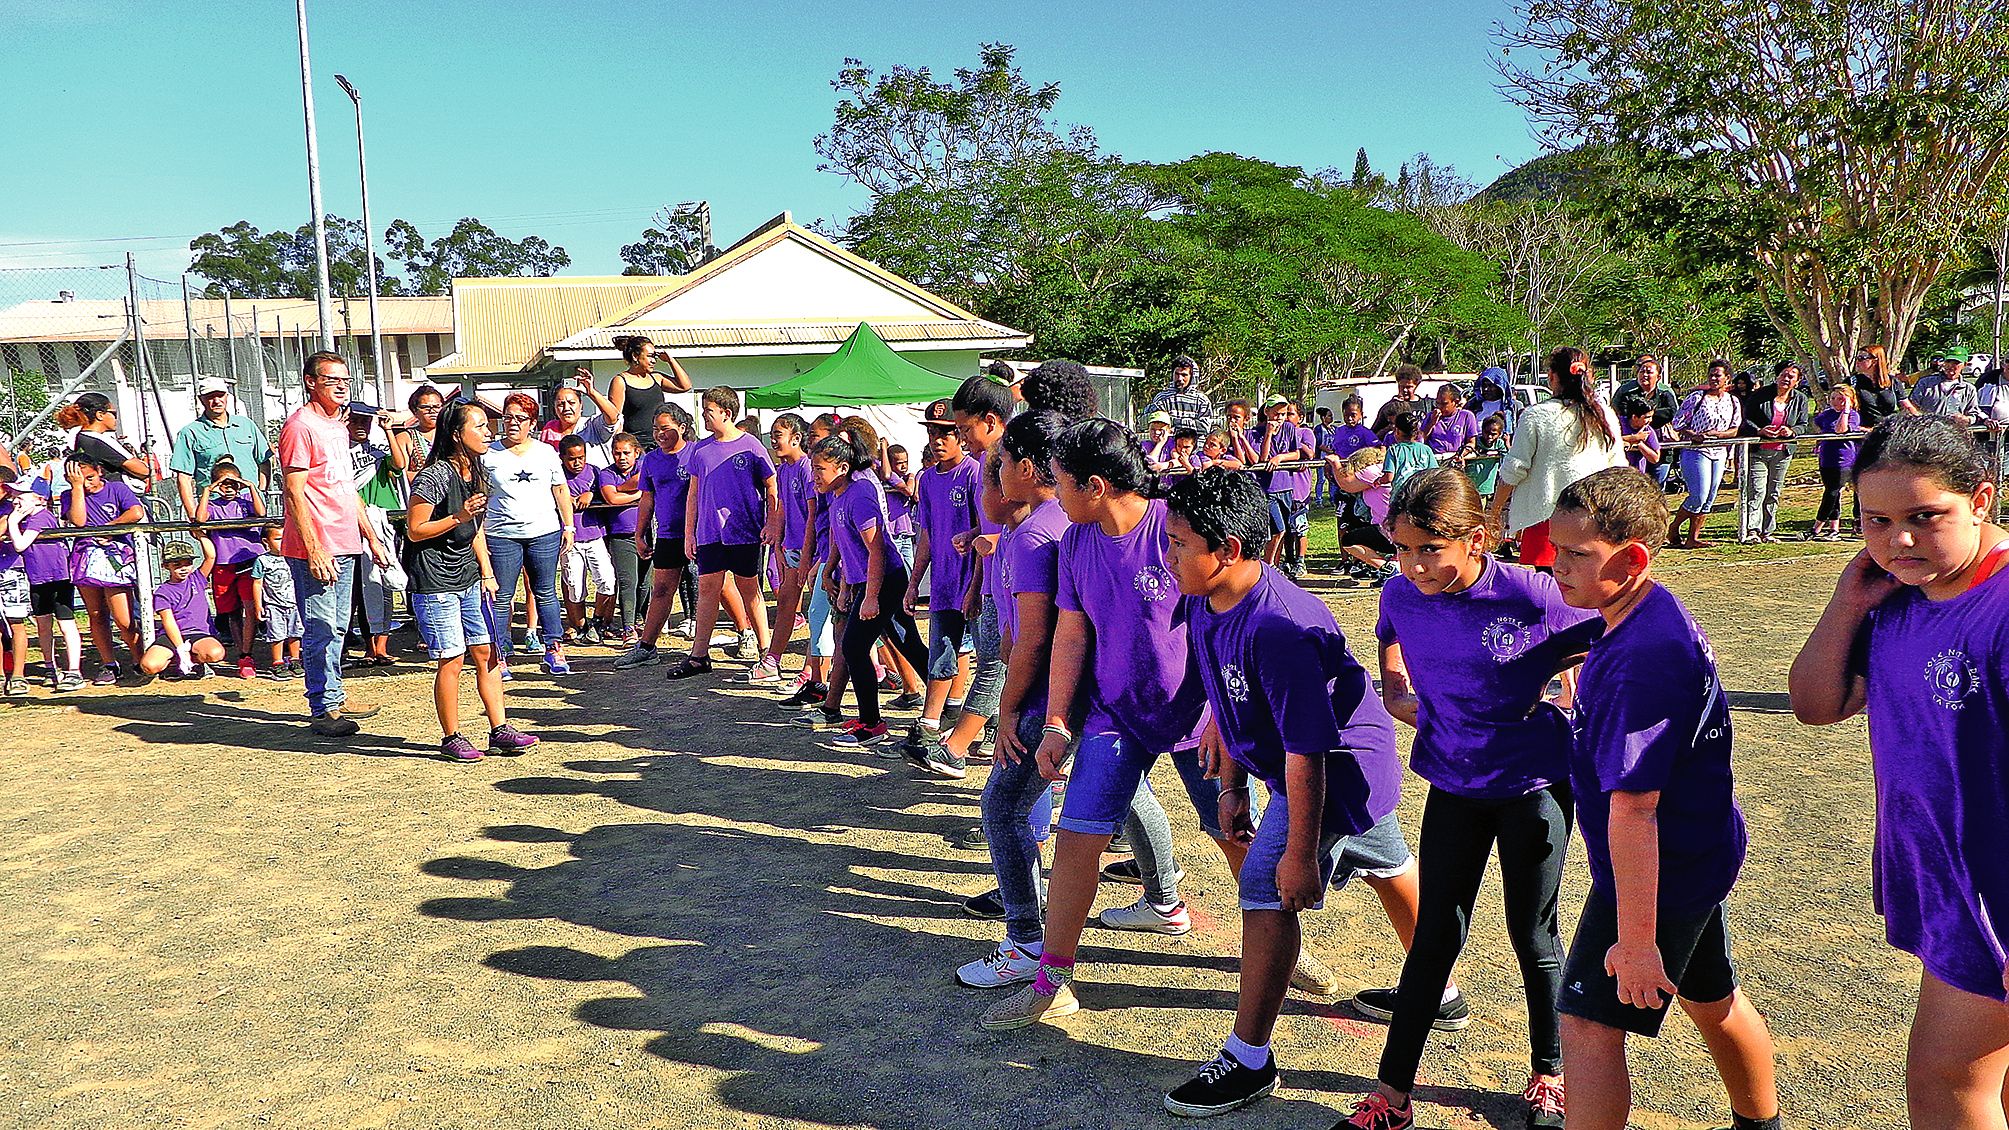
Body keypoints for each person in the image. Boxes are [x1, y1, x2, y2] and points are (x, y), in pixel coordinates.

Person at [982, 421, 1287, 1032]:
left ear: (1095, 486)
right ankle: (1054, 979)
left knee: (1235, 835)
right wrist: (1058, 721)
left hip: (1199, 715)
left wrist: (1226, 719)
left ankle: (1278, 953)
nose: (1052, 490)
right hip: (1113, 714)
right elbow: (1072, 635)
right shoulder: (1074, 543)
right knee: (1077, 838)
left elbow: (1232, 605)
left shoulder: (1174, 529)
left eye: (1061, 482)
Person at [1342, 468, 1599, 1130]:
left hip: (1531, 789)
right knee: (1434, 936)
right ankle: (1392, 1098)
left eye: (1429, 549)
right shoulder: (1401, 593)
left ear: (1476, 539)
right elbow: (1389, 637)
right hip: (1452, 784)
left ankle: (1550, 1075)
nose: (1413, 564)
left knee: (1531, 934)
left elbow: (1609, 632)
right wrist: (1394, 687)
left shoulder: (1532, 593)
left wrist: (1575, 692)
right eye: (1401, 548)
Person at [1155, 467, 1408, 1118]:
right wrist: (1234, 783)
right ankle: (1441, 989)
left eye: (1179, 542)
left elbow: (1308, 753)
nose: (1168, 554)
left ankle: (1247, 1059)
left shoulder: (1281, 627)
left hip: (1341, 770)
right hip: (1303, 768)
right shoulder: (1205, 597)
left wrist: (1298, 853)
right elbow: (1223, 688)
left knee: (1265, 890)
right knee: (1387, 863)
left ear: (1230, 550)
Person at [1789, 415, 2009, 1130]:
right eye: (1874, 521)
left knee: (1944, 1084)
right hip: (1943, 879)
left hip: (1995, 897)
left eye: (1923, 517)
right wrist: (1847, 602)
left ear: (1980, 500)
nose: (1897, 540)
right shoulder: (1897, 599)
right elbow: (1816, 703)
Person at [1547, 467, 1782, 1130]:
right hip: (1696, 852)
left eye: (1577, 556)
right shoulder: (1647, 611)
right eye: (1553, 549)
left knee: (1588, 1025)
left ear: (1632, 560)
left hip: (1660, 870)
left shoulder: (1641, 656)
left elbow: (1635, 808)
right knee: (1712, 999)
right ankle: (1759, 1125)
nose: (1556, 567)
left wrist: (1637, 939)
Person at [956, 411, 1074, 985]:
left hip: (1049, 697)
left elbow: (1033, 638)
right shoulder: (1043, 527)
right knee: (1120, 800)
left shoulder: (1033, 537)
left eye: (998, 466)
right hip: (1067, 695)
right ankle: (1165, 900)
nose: (992, 479)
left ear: (1027, 469)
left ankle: (1027, 940)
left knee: (1002, 809)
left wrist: (1006, 710)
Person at [404, 399, 538, 762]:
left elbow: (475, 528)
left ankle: (500, 730)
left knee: (487, 651)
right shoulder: (434, 476)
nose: (488, 432)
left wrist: (487, 571)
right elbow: (415, 530)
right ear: (455, 434)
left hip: (467, 577)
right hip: (434, 580)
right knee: (452, 657)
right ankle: (451, 737)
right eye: (479, 426)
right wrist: (457, 516)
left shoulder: (475, 471)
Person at [279, 353, 393, 734]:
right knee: (321, 624)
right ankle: (322, 707)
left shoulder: (338, 428)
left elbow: (346, 487)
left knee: (339, 625)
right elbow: (293, 492)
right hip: (319, 544)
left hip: (346, 540)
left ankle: (335, 696)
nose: (342, 386)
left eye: (345, 379)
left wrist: (371, 537)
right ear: (311, 381)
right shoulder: (300, 426)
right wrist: (313, 548)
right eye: (332, 380)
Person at [815, 422, 931, 746]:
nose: (815, 476)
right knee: (908, 644)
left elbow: (877, 549)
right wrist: (839, 580)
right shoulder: (837, 496)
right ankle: (944, 705)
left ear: (842, 466)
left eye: (820, 469)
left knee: (854, 646)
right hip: (868, 581)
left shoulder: (860, 493)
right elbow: (845, 542)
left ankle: (872, 724)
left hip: (887, 579)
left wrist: (871, 596)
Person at [667, 385, 778, 682]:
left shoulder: (751, 446)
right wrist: (689, 533)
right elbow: (693, 493)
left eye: (709, 411)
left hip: (744, 530)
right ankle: (699, 655)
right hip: (709, 533)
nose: (703, 416)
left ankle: (768, 652)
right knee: (707, 591)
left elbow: (771, 486)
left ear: (727, 414)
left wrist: (771, 522)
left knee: (750, 591)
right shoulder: (700, 449)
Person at [1491, 347, 1625, 571]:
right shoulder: (1605, 416)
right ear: (1588, 374)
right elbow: (1619, 469)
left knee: (1550, 591)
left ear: (1552, 377)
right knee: (1587, 588)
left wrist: (1494, 511)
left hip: (1547, 520)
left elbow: (1514, 470)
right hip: (1594, 517)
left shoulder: (1536, 415)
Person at [904, 398, 981, 764]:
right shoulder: (928, 479)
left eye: (947, 432)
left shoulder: (973, 473)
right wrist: (913, 582)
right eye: (934, 432)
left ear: (961, 436)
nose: (939, 439)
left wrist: (976, 585)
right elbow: (927, 535)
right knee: (945, 651)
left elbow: (988, 531)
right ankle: (935, 722)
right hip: (944, 584)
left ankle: (936, 725)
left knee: (986, 658)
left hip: (976, 584)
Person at [482, 392, 575, 676]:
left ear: (532, 423)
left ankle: (553, 649)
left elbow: (560, 490)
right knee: (501, 596)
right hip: (501, 534)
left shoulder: (546, 452)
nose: (512, 423)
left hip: (543, 532)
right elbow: (480, 494)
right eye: (508, 417)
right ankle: (499, 654)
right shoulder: (488, 454)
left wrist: (568, 527)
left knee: (545, 591)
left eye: (520, 418)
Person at [614, 406, 703, 669]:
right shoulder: (651, 460)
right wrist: (640, 533)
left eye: (665, 428)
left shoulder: (696, 453)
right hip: (667, 533)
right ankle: (647, 646)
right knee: (662, 589)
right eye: (656, 429)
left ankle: (748, 635)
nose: (659, 434)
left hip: (700, 533)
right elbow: (647, 498)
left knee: (719, 587)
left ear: (682, 427)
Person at [61, 453, 145, 685]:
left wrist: (109, 527)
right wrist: (77, 488)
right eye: (78, 479)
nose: (86, 483)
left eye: (89, 477)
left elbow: (135, 512)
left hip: (114, 559)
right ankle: (109, 663)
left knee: (123, 618)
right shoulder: (70, 495)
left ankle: (139, 659)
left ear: (99, 471)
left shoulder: (116, 489)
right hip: (85, 559)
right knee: (96, 615)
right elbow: (78, 521)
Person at [762, 414, 823, 697]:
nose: (774, 440)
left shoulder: (807, 468)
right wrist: (778, 541)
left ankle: (810, 672)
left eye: (778, 434)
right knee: (787, 603)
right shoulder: (784, 469)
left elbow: (813, 514)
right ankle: (772, 660)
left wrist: (808, 553)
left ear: (796, 438)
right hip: (792, 548)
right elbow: (783, 508)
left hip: (813, 550)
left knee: (818, 611)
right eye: (772, 434)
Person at [2, 478, 81, 692]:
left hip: (58, 578)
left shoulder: (41, 517)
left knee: (66, 624)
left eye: (21, 496)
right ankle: (50, 668)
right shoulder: (25, 520)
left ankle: (74, 671)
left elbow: (19, 544)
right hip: (37, 579)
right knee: (43, 626)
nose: (15, 501)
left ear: (39, 499)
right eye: (15, 496)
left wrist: (11, 521)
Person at [346, 403, 407, 667]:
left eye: (365, 421)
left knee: (383, 584)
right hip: (350, 527)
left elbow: (399, 464)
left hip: (381, 524)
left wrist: (388, 430)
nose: (361, 426)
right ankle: (363, 645)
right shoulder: (339, 453)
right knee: (356, 590)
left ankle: (381, 646)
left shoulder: (377, 453)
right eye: (355, 421)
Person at [195, 460, 267, 678]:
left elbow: (262, 513)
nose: (229, 488)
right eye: (224, 484)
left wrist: (251, 487)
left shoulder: (245, 502)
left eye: (233, 484)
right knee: (231, 611)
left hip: (247, 560)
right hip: (224, 564)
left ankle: (247, 653)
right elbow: (200, 518)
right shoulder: (213, 505)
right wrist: (208, 490)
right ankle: (241, 653)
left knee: (251, 607)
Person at [1667, 360, 1745, 550]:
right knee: (1698, 496)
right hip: (1696, 451)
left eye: (1718, 375)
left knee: (1709, 498)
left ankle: (1693, 537)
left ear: (1727, 378)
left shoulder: (1733, 401)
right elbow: (1678, 423)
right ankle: (1673, 528)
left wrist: (1719, 435)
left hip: (1719, 452)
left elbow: (1734, 429)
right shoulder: (1697, 398)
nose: (1713, 378)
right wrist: (1694, 435)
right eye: (1711, 374)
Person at [170, 376, 272, 518]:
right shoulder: (190, 432)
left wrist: (260, 492)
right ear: (201, 399)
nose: (217, 401)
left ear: (227, 396)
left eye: (220, 395)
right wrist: (193, 516)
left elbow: (264, 461)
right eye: (210, 396)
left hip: (250, 503)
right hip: (215, 507)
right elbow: (184, 478)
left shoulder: (246, 425)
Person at [1739, 361, 1812, 543]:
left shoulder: (1800, 399)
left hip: (1782, 452)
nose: (1786, 379)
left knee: (1774, 491)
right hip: (1759, 451)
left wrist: (1792, 431)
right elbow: (1746, 420)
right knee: (1756, 490)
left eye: (1791, 376)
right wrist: (1759, 431)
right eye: (1783, 375)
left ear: (1798, 380)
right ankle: (1752, 529)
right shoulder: (1759, 396)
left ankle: (1768, 530)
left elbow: (1803, 424)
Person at [138, 538, 227, 679]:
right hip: (173, 635)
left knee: (215, 653)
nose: (184, 568)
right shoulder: (163, 591)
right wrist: (180, 648)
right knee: (150, 665)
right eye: (177, 565)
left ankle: (197, 663)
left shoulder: (197, 579)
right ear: (166, 566)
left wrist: (200, 535)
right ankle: (175, 664)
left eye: (188, 564)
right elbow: (168, 621)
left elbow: (211, 556)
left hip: (198, 632)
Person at [557, 435, 616, 645]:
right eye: (572, 458)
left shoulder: (594, 473)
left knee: (607, 581)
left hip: (595, 535)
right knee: (574, 585)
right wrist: (565, 500)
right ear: (562, 457)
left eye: (581, 457)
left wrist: (591, 494)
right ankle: (580, 626)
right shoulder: (557, 475)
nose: (577, 462)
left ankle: (598, 621)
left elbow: (608, 490)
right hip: (570, 539)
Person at [596, 433, 646, 645]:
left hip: (647, 533)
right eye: (617, 453)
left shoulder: (644, 465)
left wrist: (633, 487)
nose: (622, 457)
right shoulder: (607, 473)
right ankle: (628, 627)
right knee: (628, 581)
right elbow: (611, 497)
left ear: (636, 453)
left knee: (645, 583)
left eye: (626, 453)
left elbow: (642, 478)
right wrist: (639, 494)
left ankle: (642, 621)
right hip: (621, 534)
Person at [1251, 395, 1308, 567]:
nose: (1279, 418)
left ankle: (1274, 566)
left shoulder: (1289, 428)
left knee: (1283, 532)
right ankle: (1267, 566)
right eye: (1276, 413)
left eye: (1283, 414)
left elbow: (1297, 453)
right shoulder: (1257, 432)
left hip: (1286, 486)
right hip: (1269, 489)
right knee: (1278, 529)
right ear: (1267, 412)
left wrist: (1280, 458)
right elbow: (1262, 458)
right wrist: (1268, 434)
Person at [1329, 446, 1400, 584]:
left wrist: (1335, 464)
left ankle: (1386, 568)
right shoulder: (1385, 468)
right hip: (1395, 524)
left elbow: (1346, 484)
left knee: (1349, 541)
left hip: (1388, 528)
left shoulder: (1372, 470)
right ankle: (1390, 566)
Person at [606, 335, 693, 438]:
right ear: (635, 356)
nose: (654, 361)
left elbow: (685, 386)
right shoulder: (620, 381)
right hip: (636, 445)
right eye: (650, 356)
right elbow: (615, 418)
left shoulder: (656, 378)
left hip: (659, 442)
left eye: (654, 357)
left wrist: (670, 361)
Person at [55, 393, 150, 485]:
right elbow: (143, 471)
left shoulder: (81, 438)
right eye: (114, 413)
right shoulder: (99, 440)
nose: (115, 418)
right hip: (115, 495)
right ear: (100, 415)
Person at [1810, 387, 1861, 541]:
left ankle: (1816, 527)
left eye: (1840, 399)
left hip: (1843, 459)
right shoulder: (1826, 415)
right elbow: (1819, 426)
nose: (1835, 402)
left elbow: (1841, 430)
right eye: (1832, 398)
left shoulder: (1852, 415)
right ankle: (1834, 528)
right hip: (1826, 458)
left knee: (1832, 492)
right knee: (1832, 492)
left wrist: (1846, 410)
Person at [252, 526, 302, 678]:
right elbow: (257, 583)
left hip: (295, 603)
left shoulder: (294, 557)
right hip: (274, 605)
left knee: (296, 632)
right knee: (276, 635)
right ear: (266, 541)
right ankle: (277, 663)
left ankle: (295, 660)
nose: (283, 542)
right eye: (278, 539)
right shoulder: (262, 560)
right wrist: (258, 605)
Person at [545, 370, 620, 466]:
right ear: (554, 408)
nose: (566, 408)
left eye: (572, 403)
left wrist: (591, 392)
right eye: (561, 404)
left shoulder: (592, 425)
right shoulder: (550, 429)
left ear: (581, 405)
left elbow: (613, 417)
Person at [1910, 347, 1982, 428]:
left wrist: (1966, 419)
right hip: (1927, 433)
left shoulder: (1969, 389)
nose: (1950, 366)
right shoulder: (1925, 383)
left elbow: (1974, 414)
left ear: (1965, 364)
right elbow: (1911, 406)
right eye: (1948, 361)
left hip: (1954, 435)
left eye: (1956, 363)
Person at [1147, 353, 1214, 435]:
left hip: (1196, 446)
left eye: (1184, 375)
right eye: (1177, 374)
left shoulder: (1202, 401)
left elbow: (1205, 427)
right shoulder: (1162, 399)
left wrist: (1173, 422)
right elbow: (1153, 423)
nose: (1179, 379)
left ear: (1192, 376)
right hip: (1168, 445)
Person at [389, 385, 446, 481]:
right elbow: (399, 474)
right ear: (415, 411)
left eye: (436, 407)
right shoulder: (405, 438)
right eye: (425, 407)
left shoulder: (452, 434)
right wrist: (431, 477)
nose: (432, 411)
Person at [1614, 354, 1679, 430]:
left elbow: (1673, 413)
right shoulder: (1627, 394)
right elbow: (1623, 415)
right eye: (1642, 372)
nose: (1644, 375)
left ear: (1658, 377)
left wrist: (1648, 413)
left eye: (1649, 372)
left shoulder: (1665, 394)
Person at [1851, 344, 1907, 429]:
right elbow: (1841, 407)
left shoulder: (1893, 382)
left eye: (1861, 358)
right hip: (1864, 432)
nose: (1857, 362)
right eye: (1857, 358)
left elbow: (1906, 406)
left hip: (1890, 429)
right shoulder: (1852, 382)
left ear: (1875, 361)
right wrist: (1856, 427)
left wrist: (1921, 422)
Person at [1382, 414, 1437, 497]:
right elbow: (1434, 473)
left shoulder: (1393, 450)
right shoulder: (1426, 449)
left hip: (1401, 497)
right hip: (1421, 495)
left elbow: (1389, 477)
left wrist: (1378, 481)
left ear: (1397, 431)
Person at [1371, 365, 1434, 439]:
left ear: (1417, 385)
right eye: (1401, 386)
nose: (1404, 390)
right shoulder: (1389, 408)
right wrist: (1390, 427)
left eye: (1409, 387)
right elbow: (1373, 435)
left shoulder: (1427, 405)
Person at [1423, 384, 1479, 459]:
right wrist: (1432, 423)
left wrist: (1461, 454)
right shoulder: (1430, 416)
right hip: (1436, 458)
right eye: (1438, 403)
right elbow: (1421, 440)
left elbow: (1471, 442)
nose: (1440, 407)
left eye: (1444, 404)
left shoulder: (1467, 416)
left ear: (1455, 402)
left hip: (1456, 458)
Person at [1619, 397, 1663, 480]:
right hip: (1617, 474)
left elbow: (1655, 458)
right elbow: (1609, 440)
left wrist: (1639, 444)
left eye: (1651, 416)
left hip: (1636, 476)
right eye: (1647, 417)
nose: (1650, 420)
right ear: (1634, 417)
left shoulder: (1647, 430)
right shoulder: (1618, 424)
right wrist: (1633, 438)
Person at [1470, 367, 1518, 432]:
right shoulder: (1473, 405)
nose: (1486, 389)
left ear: (1500, 386)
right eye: (1484, 385)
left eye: (1490, 386)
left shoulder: (1511, 407)